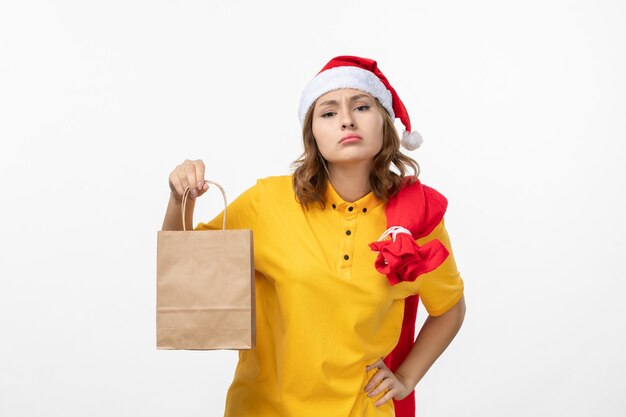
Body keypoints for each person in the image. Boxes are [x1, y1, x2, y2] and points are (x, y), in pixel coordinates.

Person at [161, 55, 466, 417]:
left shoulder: (418, 218)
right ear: (313, 134)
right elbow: (183, 271)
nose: (347, 120)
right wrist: (180, 199)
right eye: (328, 113)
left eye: (362, 106)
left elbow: (449, 309)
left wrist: (405, 378)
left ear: (384, 121)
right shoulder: (268, 202)